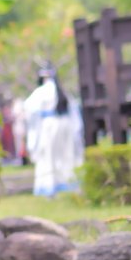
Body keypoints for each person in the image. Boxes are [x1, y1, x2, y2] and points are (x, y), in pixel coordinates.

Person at [23, 65, 84, 196]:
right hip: (65, 126)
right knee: (66, 156)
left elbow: (29, 109)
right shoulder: (62, 91)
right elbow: (74, 112)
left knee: (48, 157)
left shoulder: (40, 92)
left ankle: (50, 186)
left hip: (49, 126)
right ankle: (67, 183)